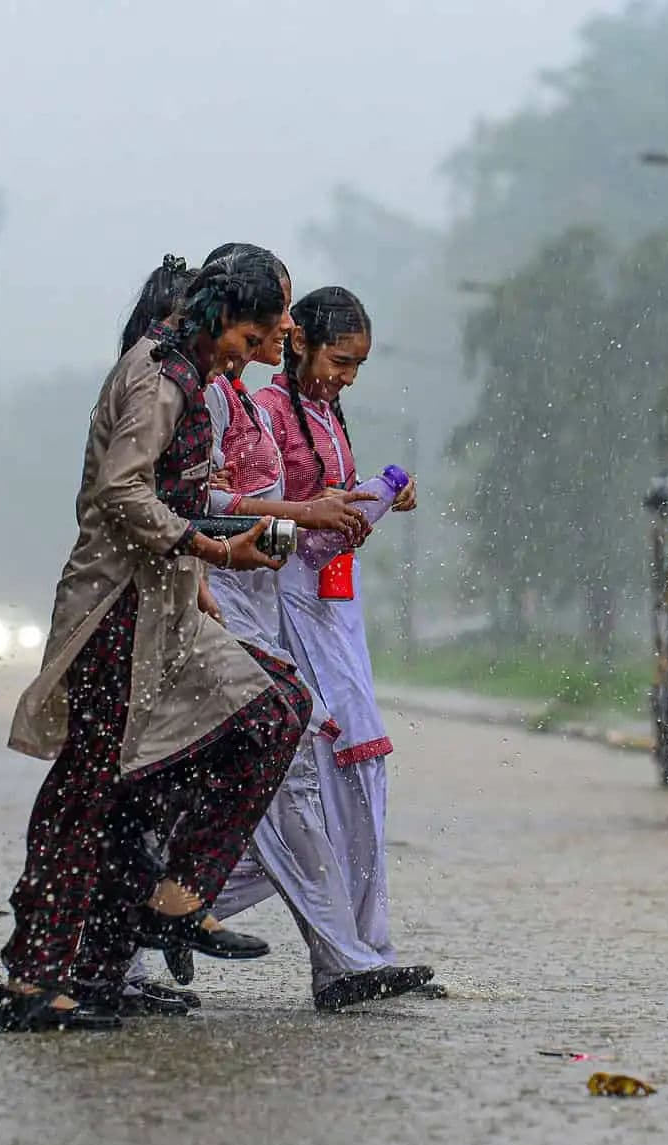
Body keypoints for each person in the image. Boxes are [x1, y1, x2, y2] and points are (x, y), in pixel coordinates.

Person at [0, 248, 311, 1033]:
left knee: (273, 710)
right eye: (256, 331)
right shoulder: (160, 376)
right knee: (88, 794)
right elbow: (121, 491)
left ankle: (167, 907)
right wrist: (212, 552)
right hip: (114, 615)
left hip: (164, 608)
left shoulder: (194, 377)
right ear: (218, 318)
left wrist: (203, 569)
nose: (262, 346)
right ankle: (35, 980)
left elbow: (175, 493)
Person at [259, 286, 421, 973]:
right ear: (296, 342)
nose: (347, 375)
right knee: (316, 781)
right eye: (340, 359)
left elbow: (323, 510)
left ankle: (363, 948)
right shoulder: (264, 413)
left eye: (358, 365)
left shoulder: (326, 413)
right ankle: (349, 955)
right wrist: (312, 513)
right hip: (284, 604)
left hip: (334, 609)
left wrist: (376, 499)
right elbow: (258, 512)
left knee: (359, 770)